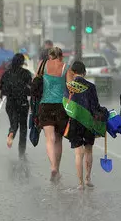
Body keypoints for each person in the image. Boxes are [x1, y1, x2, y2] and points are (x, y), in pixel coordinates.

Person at [66, 61, 104, 189]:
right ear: (85, 72)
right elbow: (95, 106)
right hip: (88, 122)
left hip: (75, 121)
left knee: (78, 153)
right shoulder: (91, 86)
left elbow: (66, 106)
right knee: (88, 150)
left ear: (73, 72)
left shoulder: (69, 86)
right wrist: (102, 113)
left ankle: (80, 183)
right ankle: (88, 178)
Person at [38, 47, 71, 183]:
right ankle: (57, 168)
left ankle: (52, 168)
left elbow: (36, 82)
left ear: (49, 56)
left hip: (45, 105)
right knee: (58, 139)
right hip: (61, 107)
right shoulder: (65, 67)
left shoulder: (42, 65)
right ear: (61, 56)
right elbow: (70, 88)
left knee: (49, 139)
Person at [0, 53, 32, 158]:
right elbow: (31, 87)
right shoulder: (26, 73)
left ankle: (11, 133)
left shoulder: (7, 73)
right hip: (22, 103)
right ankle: (21, 153)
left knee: (14, 122)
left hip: (10, 103)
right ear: (22, 62)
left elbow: (0, 86)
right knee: (23, 128)